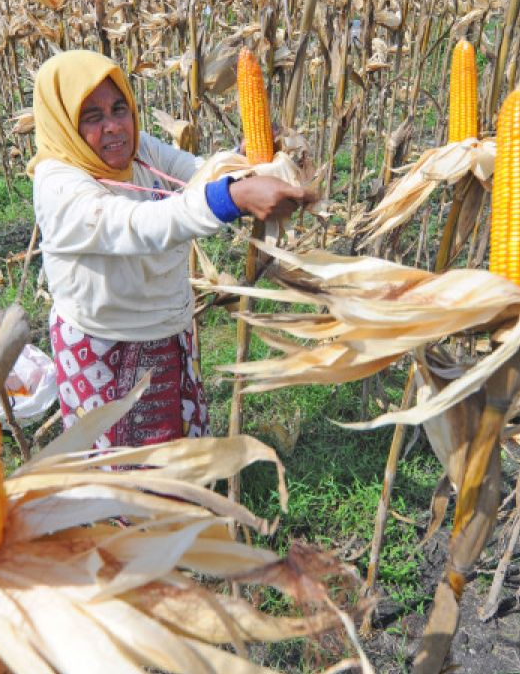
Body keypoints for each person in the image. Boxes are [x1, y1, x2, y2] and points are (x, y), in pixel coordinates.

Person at [30, 49, 314, 447]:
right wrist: (233, 197)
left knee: (179, 444)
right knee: (130, 470)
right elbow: (140, 224)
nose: (113, 126)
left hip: (168, 323)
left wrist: (246, 162)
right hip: (106, 343)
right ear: (62, 123)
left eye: (119, 108)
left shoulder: (138, 148)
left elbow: (196, 174)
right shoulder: (58, 185)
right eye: (92, 117)